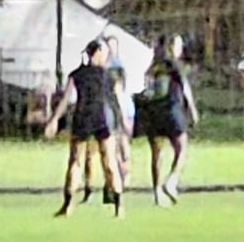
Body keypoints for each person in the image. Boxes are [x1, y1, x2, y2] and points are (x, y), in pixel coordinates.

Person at [57, 36, 128, 216]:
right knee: (109, 161)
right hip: (103, 118)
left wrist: (54, 119)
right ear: (96, 53)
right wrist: (124, 120)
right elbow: (118, 100)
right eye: (103, 52)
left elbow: (66, 100)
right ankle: (119, 207)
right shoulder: (109, 76)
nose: (105, 56)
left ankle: (68, 205)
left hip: (83, 118)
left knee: (75, 161)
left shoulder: (76, 75)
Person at [135, 35, 199, 204]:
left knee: (157, 153)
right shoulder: (175, 65)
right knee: (182, 147)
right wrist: (192, 109)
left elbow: (147, 86)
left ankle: (157, 193)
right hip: (171, 108)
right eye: (178, 45)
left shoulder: (154, 66)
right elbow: (184, 87)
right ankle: (172, 181)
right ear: (173, 47)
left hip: (154, 110)